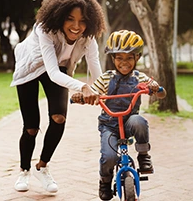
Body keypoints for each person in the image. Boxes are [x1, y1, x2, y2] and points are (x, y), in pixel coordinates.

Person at [10, 0, 106, 193]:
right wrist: (83, 86)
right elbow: (52, 73)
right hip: (31, 68)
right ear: (60, 17)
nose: (76, 26)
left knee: (59, 117)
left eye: (82, 21)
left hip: (58, 68)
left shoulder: (88, 38)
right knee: (31, 127)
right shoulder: (45, 30)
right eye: (70, 19)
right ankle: (24, 170)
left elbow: (95, 69)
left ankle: (41, 167)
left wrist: (102, 90)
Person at [71, 30, 166, 200]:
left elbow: (161, 93)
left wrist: (155, 88)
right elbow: (93, 91)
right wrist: (82, 96)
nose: (124, 62)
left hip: (129, 122)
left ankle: (143, 155)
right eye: (119, 58)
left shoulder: (140, 77)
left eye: (129, 58)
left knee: (139, 121)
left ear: (137, 58)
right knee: (108, 157)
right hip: (109, 125)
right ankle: (105, 181)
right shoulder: (107, 78)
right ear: (113, 59)